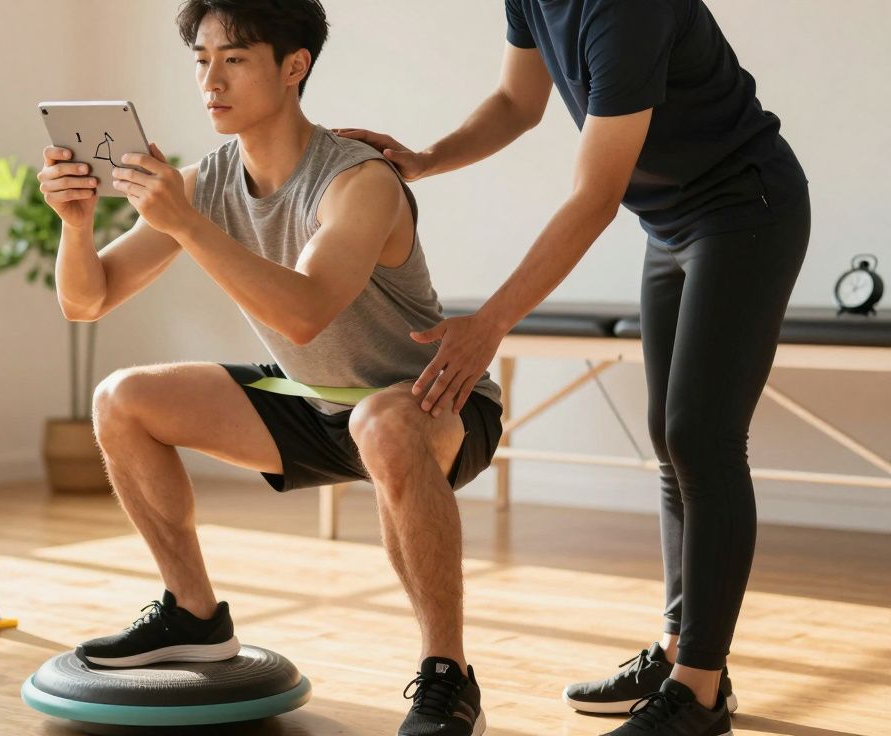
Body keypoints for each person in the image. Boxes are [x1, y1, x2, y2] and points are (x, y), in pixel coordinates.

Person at [337, 2, 809, 735]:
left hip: (746, 206)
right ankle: (681, 649)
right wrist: (427, 159)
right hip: (672, 222)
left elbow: (595, 196)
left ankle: (701, 692)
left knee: (702, 438)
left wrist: (491, 322)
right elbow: (515, 102)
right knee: (671, 440)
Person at [40, 1, 502, 734]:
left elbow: (306, 310)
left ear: (295, 67)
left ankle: (448, 675)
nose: (211, 80)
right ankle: (192, 613)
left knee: (381, 420)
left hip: (431, 402)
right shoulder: (205, 182)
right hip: (312, 399)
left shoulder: (360, 182)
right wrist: (75, 226)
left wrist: (186, 224)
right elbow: (88, 300)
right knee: (121, 398)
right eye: (201, 60)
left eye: (235, 58)